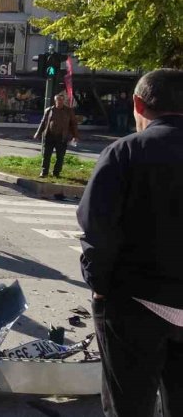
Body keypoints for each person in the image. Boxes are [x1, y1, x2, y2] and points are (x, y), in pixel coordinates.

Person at [77, 69, 183, 417]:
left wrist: (100, 286)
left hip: (135, 302)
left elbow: (98, 228)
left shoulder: (126, 152)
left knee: (130, 406)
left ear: (139, 104)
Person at [33, 94, 79, 178]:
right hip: (49, 136)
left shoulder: (69, 111)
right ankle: (44, 172)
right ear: (55, 101)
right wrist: (38, 133)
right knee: (46, 155)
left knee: (60, 156)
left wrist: (75, 136)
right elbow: (43, 122)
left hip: (62, 137)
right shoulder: (49, 110)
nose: (59, 102)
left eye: (61, 100)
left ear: (63, 101)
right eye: (58, 100)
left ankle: (56, 173)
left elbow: (74, 124)